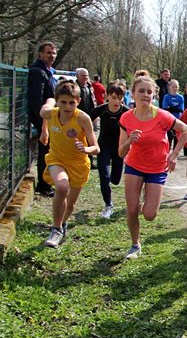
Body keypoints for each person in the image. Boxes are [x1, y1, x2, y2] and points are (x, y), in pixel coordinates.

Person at [118, 73, 187, 260]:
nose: (145, 95)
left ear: (154, 95)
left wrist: (173, 155)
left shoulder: (162, 116)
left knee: (149, 214)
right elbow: (120, 152)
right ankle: (135, 244)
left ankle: (146, 197)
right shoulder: (126, 118)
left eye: (149, 92)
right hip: (134, 165)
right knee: (132, 209)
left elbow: (185, 130)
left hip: (157, 167)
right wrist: (128, 143)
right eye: (141, 91)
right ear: (132, 94)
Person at [40, 81, 100, 247]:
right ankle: (56, 228)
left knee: (71, 203)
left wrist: (85, 149)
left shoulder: (82, 118)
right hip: (56, 159)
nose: (67, 106)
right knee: (62, 187)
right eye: (63, 102)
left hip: (78, 164)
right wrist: (45, 130)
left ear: (78, 102)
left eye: (72, 102)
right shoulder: (50, 113)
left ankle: (63, 223)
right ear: (57, 102)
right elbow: (45, 110)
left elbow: (96, 148)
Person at [90, 81, 128, 219]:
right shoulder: (102, 109)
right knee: (104, 176)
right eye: (113, 97)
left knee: (116, 179)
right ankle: (108, 204)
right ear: (107, 96)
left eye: (119, 98)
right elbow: (86, 120)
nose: (116, 101)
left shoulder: (126, 112)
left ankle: (112, 182)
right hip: (103, 146)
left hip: (119, 148)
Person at [28, 41, 59, 196]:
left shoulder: (47, 71)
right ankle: (43, 185)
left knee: (46, 152)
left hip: (46, 120)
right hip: (41, 121)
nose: (51, 56)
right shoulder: (37, 72)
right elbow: (36, 101)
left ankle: (45, 184)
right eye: (48, 52)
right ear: (40, 54)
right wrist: (43, 125)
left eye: (53, 53)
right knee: (44, 153)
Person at [162, 79, 185, 151]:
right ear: (169, 87)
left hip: (178, 119)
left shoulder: (180, 97)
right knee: (169, 136)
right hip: (168, 119)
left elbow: (181, 109)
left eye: (176, 87)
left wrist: (171, 108)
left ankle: (175, 153)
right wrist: (174, 108)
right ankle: (167, 151)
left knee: (177, 137)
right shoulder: (166, 97)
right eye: (173, 87)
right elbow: (165, 108)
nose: (174, 88)